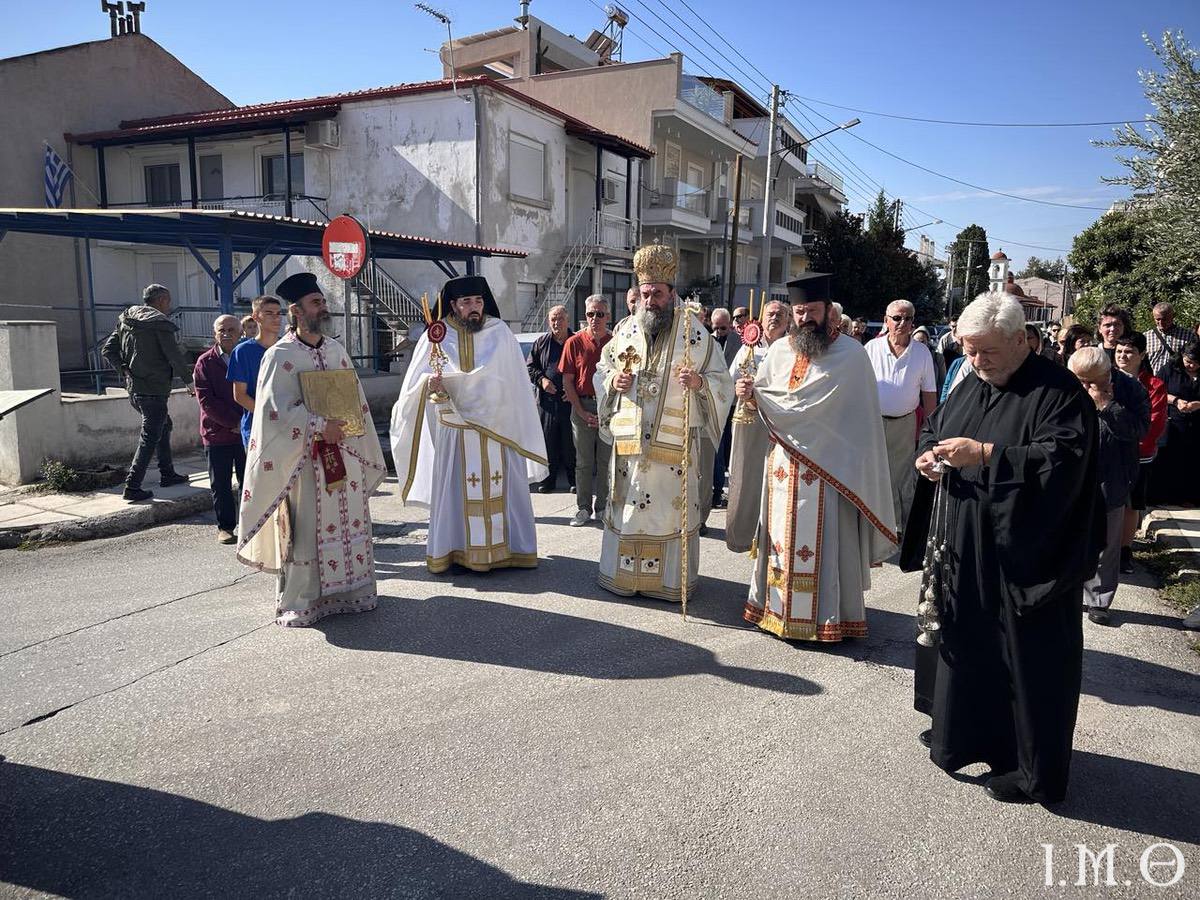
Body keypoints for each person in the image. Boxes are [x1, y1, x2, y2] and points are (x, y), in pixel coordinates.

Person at [903, 292, 1102, 805]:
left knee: (1027, 661)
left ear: (1021, 340)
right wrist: (929, 454)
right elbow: (935, 427)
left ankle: (1033, 770)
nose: (975, 361)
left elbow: (1061, 462)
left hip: (1027, 555)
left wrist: (986, 455)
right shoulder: (973, 380)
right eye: (968, 350)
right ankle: (961, 736)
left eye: (986, 351)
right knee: (968, 643)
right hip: (966, 542)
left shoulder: (1058, 392)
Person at [738, 273, 896, 640]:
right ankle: (773, 609)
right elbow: (767, 398)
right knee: (779, 539)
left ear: (829, 312)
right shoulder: (778, 351)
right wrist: (748, 393)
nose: (805, 318)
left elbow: (853, 420)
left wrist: (766, 401)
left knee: (823, 545)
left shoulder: (852, 355)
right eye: (799, 311)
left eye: (812, 311)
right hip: (782, 465)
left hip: (829, 470)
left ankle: (828, 617)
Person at [236, 272, 388, 627]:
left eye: (322, 301)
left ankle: (353, 590)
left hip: (343, 456)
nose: (324, 307)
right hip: (305, 462)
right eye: (316, 302)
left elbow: (356, 401)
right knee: (308, 528)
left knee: (350, 521)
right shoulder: (280, 356)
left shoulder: (336, 350)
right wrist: (320, 426)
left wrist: (349, 430)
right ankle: (305, 599)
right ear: (297, 311)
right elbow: (274, 411)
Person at [593, 244, 733, 601]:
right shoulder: (624, 329)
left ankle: (668, 584)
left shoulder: (695, 334)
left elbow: (722, 381)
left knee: (667, 516)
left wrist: (700, 384)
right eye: (645, 293)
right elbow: (603, 369)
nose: (651, 299)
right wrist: (612, 382)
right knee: (628, 508)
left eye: (657, 293)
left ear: (672, 293)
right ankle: (625, 578)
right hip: (631, 446)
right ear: (637, 295)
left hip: (673, 449)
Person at [390, 275, 547, 573]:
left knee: (503, 492)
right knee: (454, 495)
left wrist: (464, 387)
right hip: (455, 433)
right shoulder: (436, 336)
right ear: (453, 305)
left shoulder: (499, 332)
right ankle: (453, 550)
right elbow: (413, 387)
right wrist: (431, 385)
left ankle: (511, 550)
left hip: (498, 431)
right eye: (466, 302)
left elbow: (511, 382)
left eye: (478, 301)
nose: (474, 308)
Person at [1068, 347, 1148, 625]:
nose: (1085, 386)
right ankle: (1066, 592)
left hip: (1113, 473)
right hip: (1073, 471)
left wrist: (1106, 405)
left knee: (1107, 541)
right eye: (1080, 380)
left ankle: (1099, 600)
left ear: (1106, 372)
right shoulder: (1067, 384)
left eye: (1090, 381)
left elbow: (1140, 429)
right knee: (1068, 534)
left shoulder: (1130, 389)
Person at [101, 283, 195, 503]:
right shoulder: (159, 324)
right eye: (168, 302)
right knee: (149, 437)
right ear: (161, 300)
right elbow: (173, 356)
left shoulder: (126, 319)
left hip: (135, 389)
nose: (169, 307)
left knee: (164, 425)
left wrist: (124, 369)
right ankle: (132, 486)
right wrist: (190, 383)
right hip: (154, 390)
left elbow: (108, 350)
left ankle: (168, 474)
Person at [865, 299, 937, 532]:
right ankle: (868, 523)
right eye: (897, 318)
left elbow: (929, 394)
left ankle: (893, 526)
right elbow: (858, 386)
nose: (902, 323)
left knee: (899, 477)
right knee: (872, 473)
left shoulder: (922, 352)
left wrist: (930, 432)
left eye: (908, 318)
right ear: (886, 320)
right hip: (872, 422)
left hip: (904, 423)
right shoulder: (871, 349)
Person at [724, 299, 790, 553]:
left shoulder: (792, 349)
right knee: (745, 473)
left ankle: (773, 533)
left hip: (780, 422)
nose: (775, 318)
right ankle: (743, 533)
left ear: (788, 321)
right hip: (749, 420)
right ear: (761, 319)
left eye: (780, 315)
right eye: (770, 314)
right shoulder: (747, 348)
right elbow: (728, 384)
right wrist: (738, 388)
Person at [1114, 333, 1167, 574]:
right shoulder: (1105, 379)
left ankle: (1125, 551)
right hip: (1109, 452)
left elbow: (1153, 423)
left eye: (1129, 352)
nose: (1123, 356)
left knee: (1131, 504)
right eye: (1119, 352)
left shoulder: (1154, 386)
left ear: (1142, 355)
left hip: (1138, 454)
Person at [193, 315, 247, 544]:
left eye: (231, 329)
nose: (226, 333)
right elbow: (206, 401)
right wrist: (233, 423)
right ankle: (225, 527)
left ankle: (250, 525)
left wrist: (244, 423)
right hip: (217, 434)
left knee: (249, 482)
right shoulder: (205, 362)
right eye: (221, 330)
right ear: (215, 333)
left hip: (247, 432)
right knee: (221, 484)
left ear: (240, 332)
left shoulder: (247, 357)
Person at [560, 295, 612, 527]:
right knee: (583, 462)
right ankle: (583, 508)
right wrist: (581, 412)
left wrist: (606, 411)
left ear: (607, 317)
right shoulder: (574, 342)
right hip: (581, 407)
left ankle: (602, 508)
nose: (595, 318)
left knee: (605, 461)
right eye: (590, 314)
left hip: (608, 409)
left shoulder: (615, 343)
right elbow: (568, 382)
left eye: (599, 314)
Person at [527, 305, 575, 494]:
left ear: (567, 320)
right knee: (548, 443)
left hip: (571, 402)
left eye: (560, 319)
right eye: (553, 319)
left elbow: (587, 370)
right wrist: (543, 380)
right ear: (549, 321)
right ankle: (548, 481)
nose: (556, 323)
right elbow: (530, 368)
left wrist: (573, 390)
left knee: (570, 444)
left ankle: (573, 480)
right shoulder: (541, 343)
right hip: (547, 403)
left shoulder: (577, 341)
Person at [1148, 340, 1200, 507]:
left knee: (1192, 461)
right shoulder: (1170, 369)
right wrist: (1176, 401)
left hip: (1196, 425)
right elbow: (1158, 391)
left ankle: (1190, 497)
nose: (1191, 366)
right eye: (1188, 361)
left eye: (1196, 363)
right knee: (1170, 460)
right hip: (1173, 422)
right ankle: (1166, 496)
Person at [228, 295, 283, 449]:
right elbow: (240, 395)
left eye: (278, 313)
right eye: (269, 313)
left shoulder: (289, 348)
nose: (276, 318)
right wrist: (270, 416)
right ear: (255, 317)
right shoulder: (243, 351)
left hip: (290, 428)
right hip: (257, 428)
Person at [1146, 301, 1193, 375]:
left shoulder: (1188, 336)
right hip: (1154, 382)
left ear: (1173, 316)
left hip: (1178, 381)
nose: (1161, 323)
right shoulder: (1146, 337)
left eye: (1164, 319)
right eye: (1158, 319)